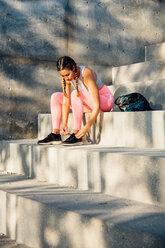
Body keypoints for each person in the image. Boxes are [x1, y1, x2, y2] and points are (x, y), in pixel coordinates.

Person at [38, 56, 114, 145]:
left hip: (105, 101)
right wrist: (65, 123)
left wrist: (85, 128)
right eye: (62, 75)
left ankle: (76, 133)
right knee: (55, 97)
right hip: (87, 102)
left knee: (75, 94)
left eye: (67, 74)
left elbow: (96, 106)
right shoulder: (67, 78)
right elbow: (66, 101)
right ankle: (55, 134)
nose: (66, 78)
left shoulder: (86, 73)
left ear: (73, 68)